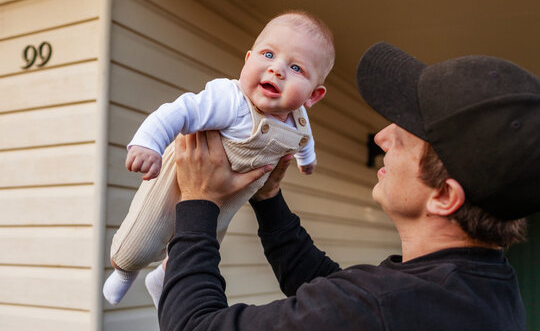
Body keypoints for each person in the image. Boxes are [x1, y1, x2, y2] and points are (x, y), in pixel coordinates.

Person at [159, 42, 539, 330]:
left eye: (405, 136)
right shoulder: (486, 285)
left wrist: (198, 201)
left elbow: (193, 325)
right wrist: (268, 197)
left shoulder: (385, 305)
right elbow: (338, 295)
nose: (382, 137)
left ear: (443, 196)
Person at [102, 10, 335, 306]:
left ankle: (162, 278)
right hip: (178, 180)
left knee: (207, 242)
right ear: (248, 59)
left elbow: (306, 140)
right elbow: (181, 111)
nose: (277, 70)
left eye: (296, 68)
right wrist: (149, 144)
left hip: (227, 198)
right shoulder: (230, 99)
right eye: (268, 54)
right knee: (144, 236)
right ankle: (123, 272)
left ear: (313, 96)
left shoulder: (297, 119)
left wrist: (306, 159)